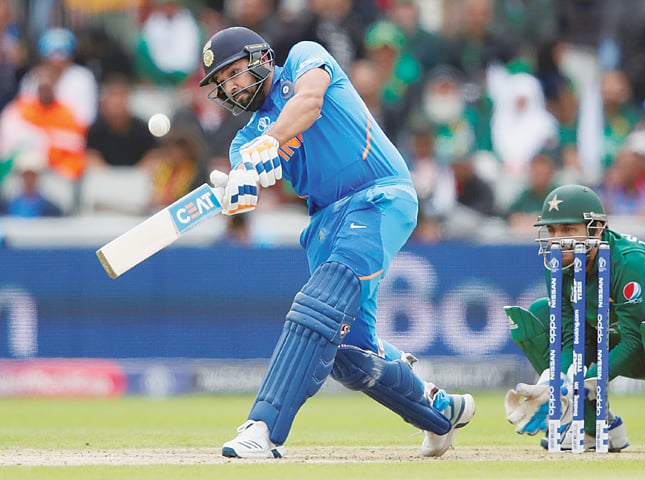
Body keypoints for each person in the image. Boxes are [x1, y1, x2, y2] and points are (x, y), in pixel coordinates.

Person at [198, 26, 475, 459]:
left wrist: (270, 143)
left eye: (233, 73)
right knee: (349, 351)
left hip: (378, 195)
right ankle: (441, 412)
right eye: (221, 84)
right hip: (325, 221)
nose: (229, 87)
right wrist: (240, 187)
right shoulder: (243, 140)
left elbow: (308, 104)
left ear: (261, 59)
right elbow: (246, 181)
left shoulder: (305, 59)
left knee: (320, 303)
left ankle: (263, 428)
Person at [503, 184, 645, 454]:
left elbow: (633, 339)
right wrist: (553, 382)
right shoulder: (558, 262)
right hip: (623, 342)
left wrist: (583, 382)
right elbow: (573, 338)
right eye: (551, 230)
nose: (557, 240)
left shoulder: (629, 261)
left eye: (568, 230)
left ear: (595, 228)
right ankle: (596, 426)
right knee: (539, 312)